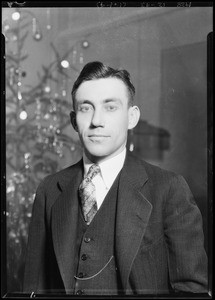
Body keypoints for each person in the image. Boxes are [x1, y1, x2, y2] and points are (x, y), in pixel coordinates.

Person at [23, 61, 208, 296]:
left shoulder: (169, 189)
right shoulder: (50, 190)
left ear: (132, 117)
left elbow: (191, 291)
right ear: (73, 120)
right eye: (86, 108)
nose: (96, 120)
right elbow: (32, 289)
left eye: (110, 107)